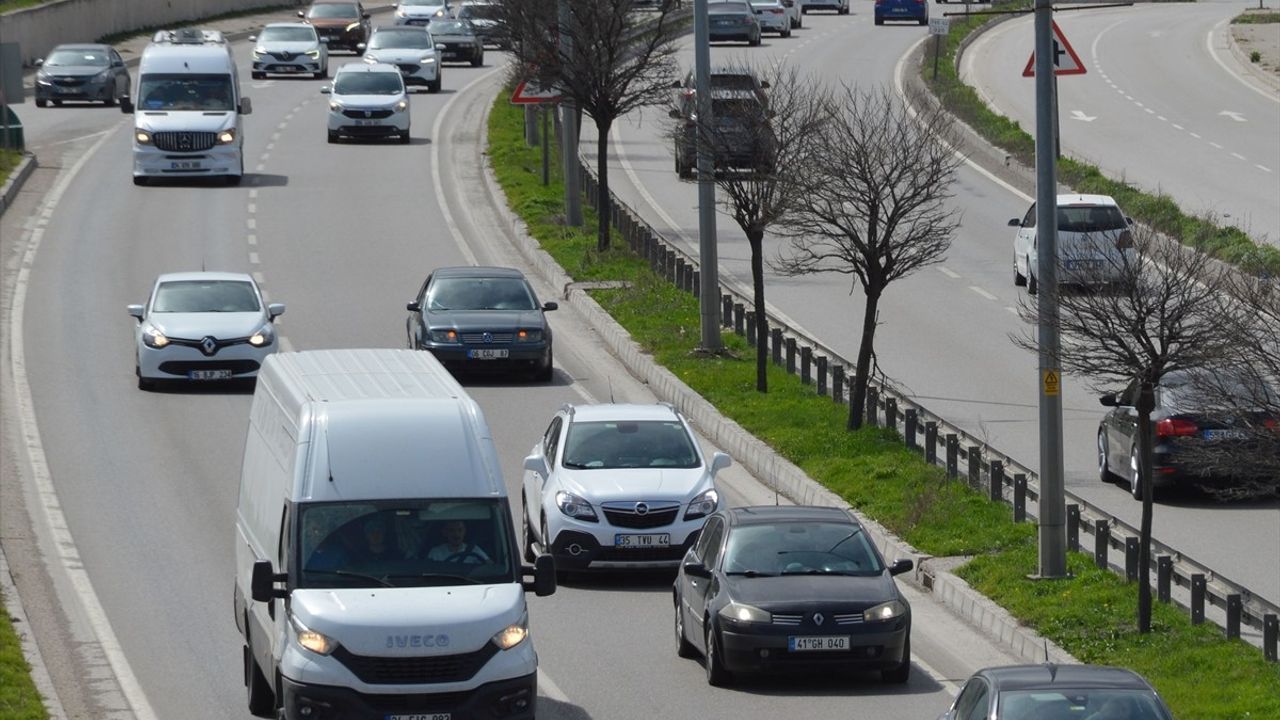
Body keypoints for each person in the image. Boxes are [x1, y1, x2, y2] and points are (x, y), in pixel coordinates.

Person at [427, 520, 492, 564]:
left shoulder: (474, 549)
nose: (456, 534)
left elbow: (489, 566)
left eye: (460, 530)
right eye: (451, 530)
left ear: (464, 531)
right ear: (445, 533)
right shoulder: (435, 552)